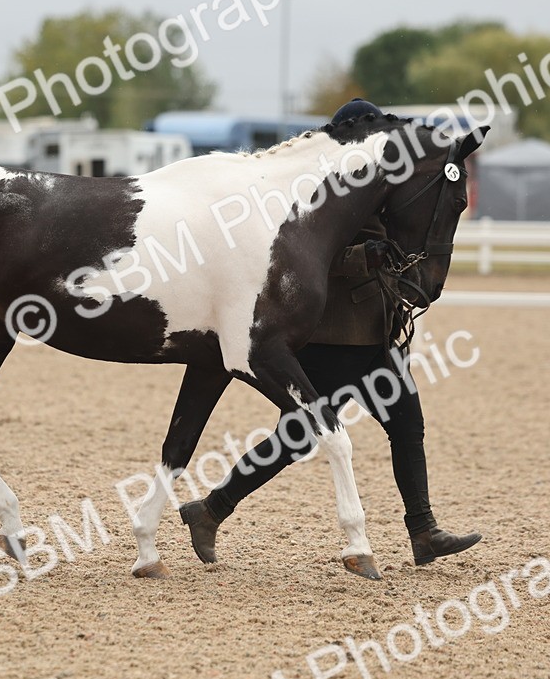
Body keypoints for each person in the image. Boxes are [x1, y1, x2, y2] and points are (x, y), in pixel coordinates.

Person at [179, 99, 481, 569]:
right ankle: (211, 509)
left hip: (377, 336)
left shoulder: (381, 183)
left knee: (406, 427)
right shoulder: (321, 189)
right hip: (335, 337)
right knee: (299, 435)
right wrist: (366, 257)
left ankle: (423, 531)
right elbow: (309, 257)